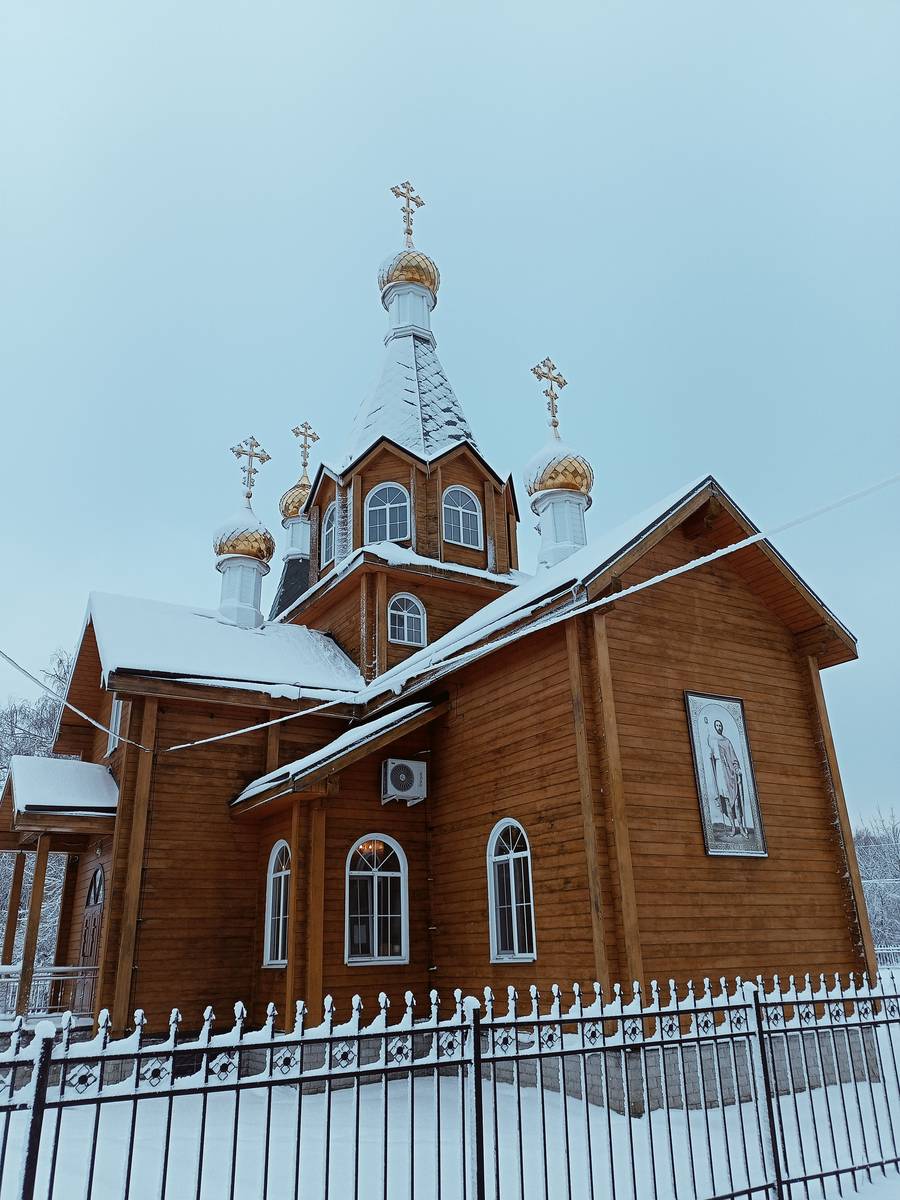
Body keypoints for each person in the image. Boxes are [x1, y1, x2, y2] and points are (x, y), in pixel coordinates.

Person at [707, 719, 749, 838]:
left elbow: (733, 757)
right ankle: (733, 828)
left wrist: (737, 769)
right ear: (715, 727)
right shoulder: (713, 741)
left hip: (729, 773)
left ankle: (741, 828)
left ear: (722, 727)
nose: (719, 727)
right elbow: (713, 758)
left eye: (720, 725)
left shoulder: (726, 741)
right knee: (726, 802)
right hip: (720, 774)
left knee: (735, 803)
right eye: (717, 725)